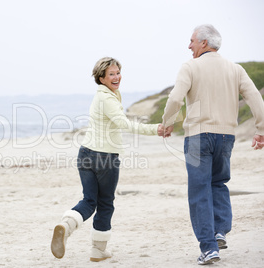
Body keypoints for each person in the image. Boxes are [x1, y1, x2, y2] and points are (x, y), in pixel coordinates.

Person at [161, 24, 264, 265]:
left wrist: (167, 122)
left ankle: (209, 248)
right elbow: (256, 99)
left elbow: (176, 98)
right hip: (226, 136)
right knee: (219, 183)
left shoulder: (191, 67)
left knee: (199, 190)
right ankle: (220, 231)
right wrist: (260, 129)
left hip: (198, 136)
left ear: (204, 43)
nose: (189, 46)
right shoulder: (235, 69)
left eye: (192, 41)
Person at [50, 57, 165, 262]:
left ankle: (66, 226)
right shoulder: (108, 99)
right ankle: (98, 249)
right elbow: (124, 124)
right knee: (105, 203)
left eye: (118, 72)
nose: (116, 77)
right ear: (101, 78)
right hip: (104, 157)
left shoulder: (101, 96)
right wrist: (155, 129)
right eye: (111, 74)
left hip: (85, 154)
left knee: (88, 200)